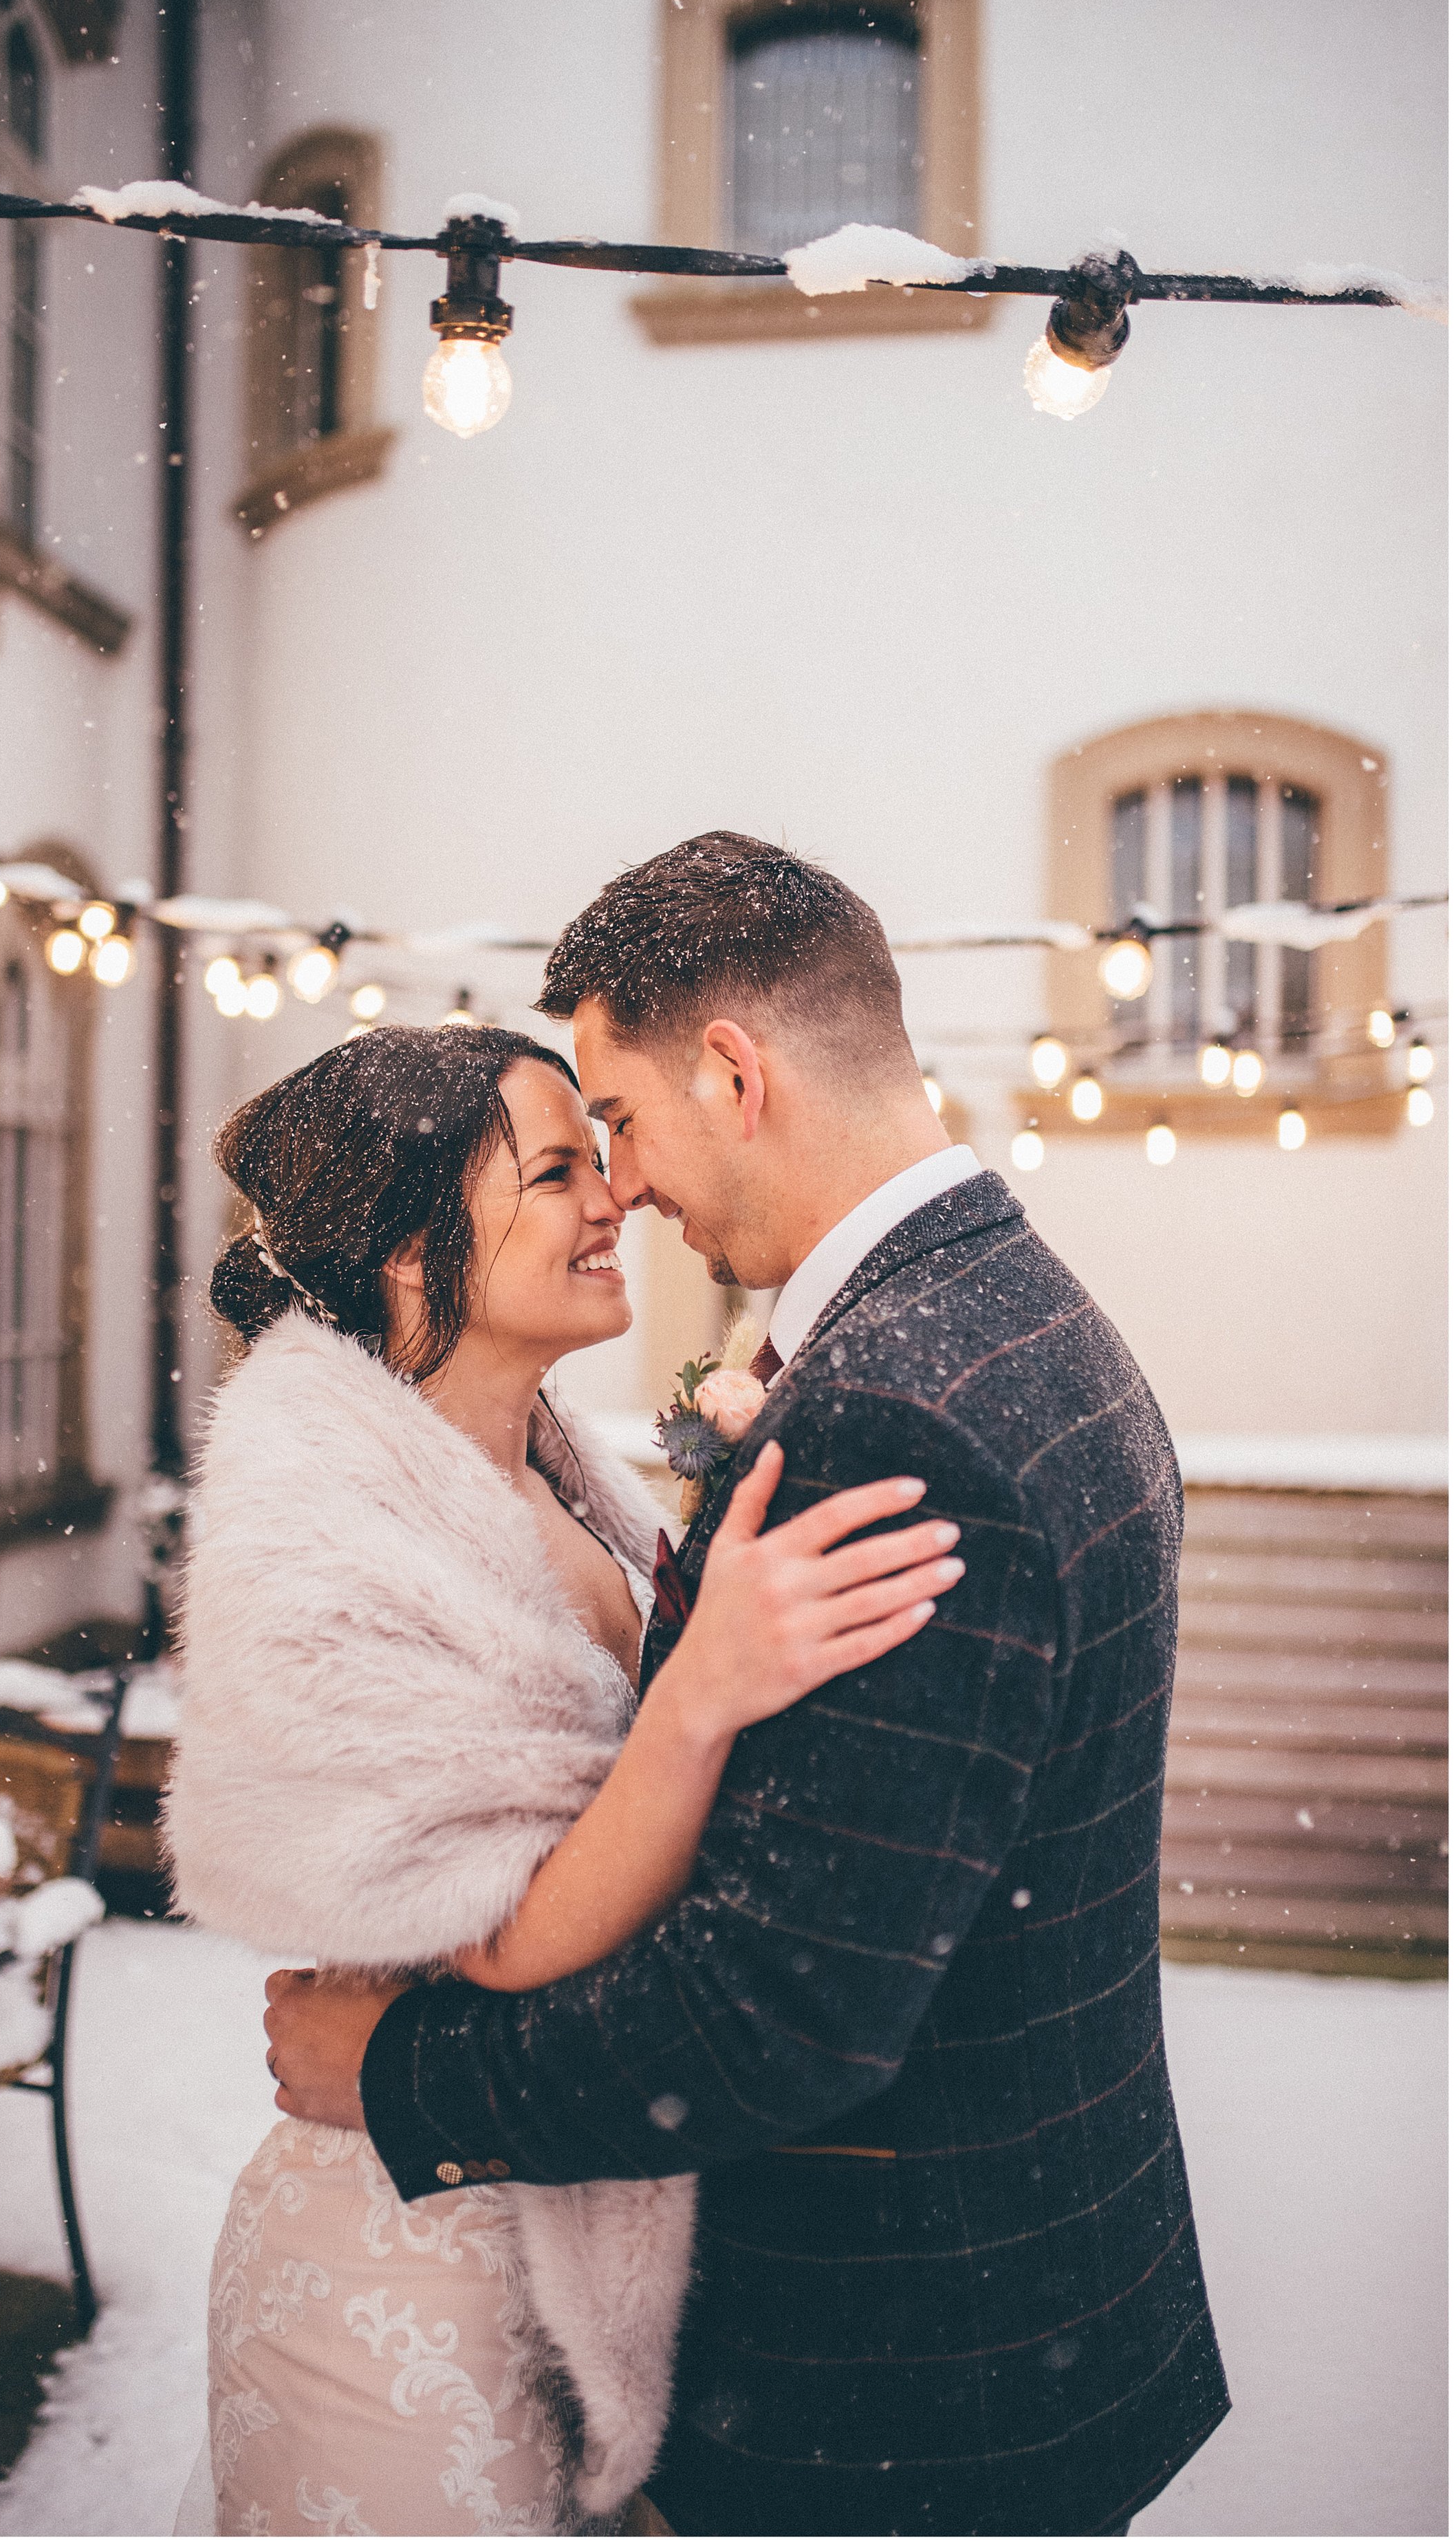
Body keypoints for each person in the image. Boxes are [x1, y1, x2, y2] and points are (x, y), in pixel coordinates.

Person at [264, 833, 1232, 2537]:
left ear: (733, 1070)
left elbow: (782, 2011)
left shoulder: (894, 1416)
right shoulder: (1013, 1312)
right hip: (1022, 2305)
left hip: (896, 2379)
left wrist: (405, 2079)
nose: (618, 1186)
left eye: (618, 1123)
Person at [162, 1020, 963, 2537]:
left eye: (599, 1160)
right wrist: (706, 1686)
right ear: (409, 1255)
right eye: (552, 1171)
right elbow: (505, 1928)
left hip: (559, 2184)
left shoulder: (544, 1466)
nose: (612, 1201)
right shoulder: (323, 1529)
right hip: (394, 2267)